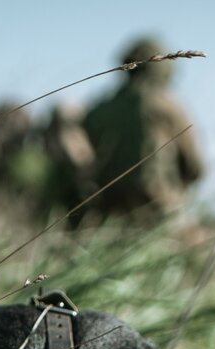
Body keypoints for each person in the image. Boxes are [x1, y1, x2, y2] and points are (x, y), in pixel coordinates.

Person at [81, 36, 204, 220]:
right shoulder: (165, 105)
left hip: (106, 214)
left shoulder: (98, 110)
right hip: (158, 214)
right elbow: (196, 168)